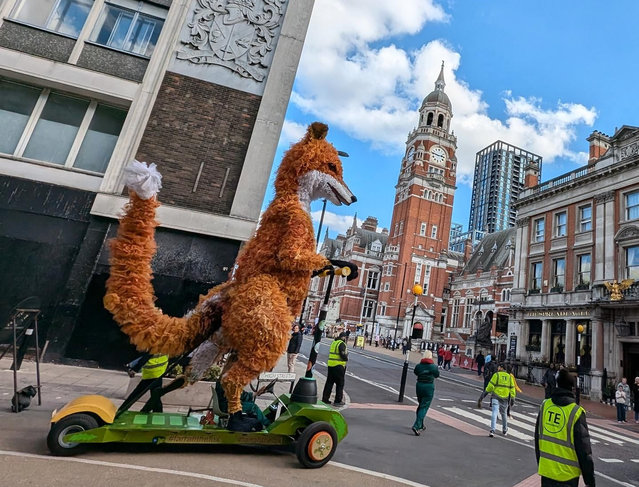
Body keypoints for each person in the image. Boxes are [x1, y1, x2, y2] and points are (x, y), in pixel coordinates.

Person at [535, 369, 595, 487]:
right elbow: (584, 451)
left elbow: (537, 439)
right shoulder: (576, 412)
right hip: (568, 475)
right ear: (572, 388)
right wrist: (590, 481)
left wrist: (541, 462)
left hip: (547, 471)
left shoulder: (545, 406)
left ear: (557, 384)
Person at [411, 350, 440, 435]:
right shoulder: (433, 367)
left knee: (421, 405)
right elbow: (437, 375)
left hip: (419, 385)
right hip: (428, 386)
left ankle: (421, 425)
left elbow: (416, 372)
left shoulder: (419, 366)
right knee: (424, 406)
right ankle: (416, 426)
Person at [483, 363, 516, 437]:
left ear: (501, 368)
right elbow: (512, 389)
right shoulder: (509, 377)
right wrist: (513, 398)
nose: (497, 368)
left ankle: (492, 430)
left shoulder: (496, 375)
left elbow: (490, 386)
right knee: (504, 414)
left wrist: (485, 393)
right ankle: (504, 430)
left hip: (496, 396)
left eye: (498, 367)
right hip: (505, 398)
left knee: (494, 412)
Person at [321, 331, 348, 406]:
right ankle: (338, 400)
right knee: (340, 384)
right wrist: (346, 358)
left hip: (331, 365)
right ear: (344, 337)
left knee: (329, 383)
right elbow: (342, 354)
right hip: (339, 366)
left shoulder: (334, 343)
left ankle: (325, 399)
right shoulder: (342, 344)